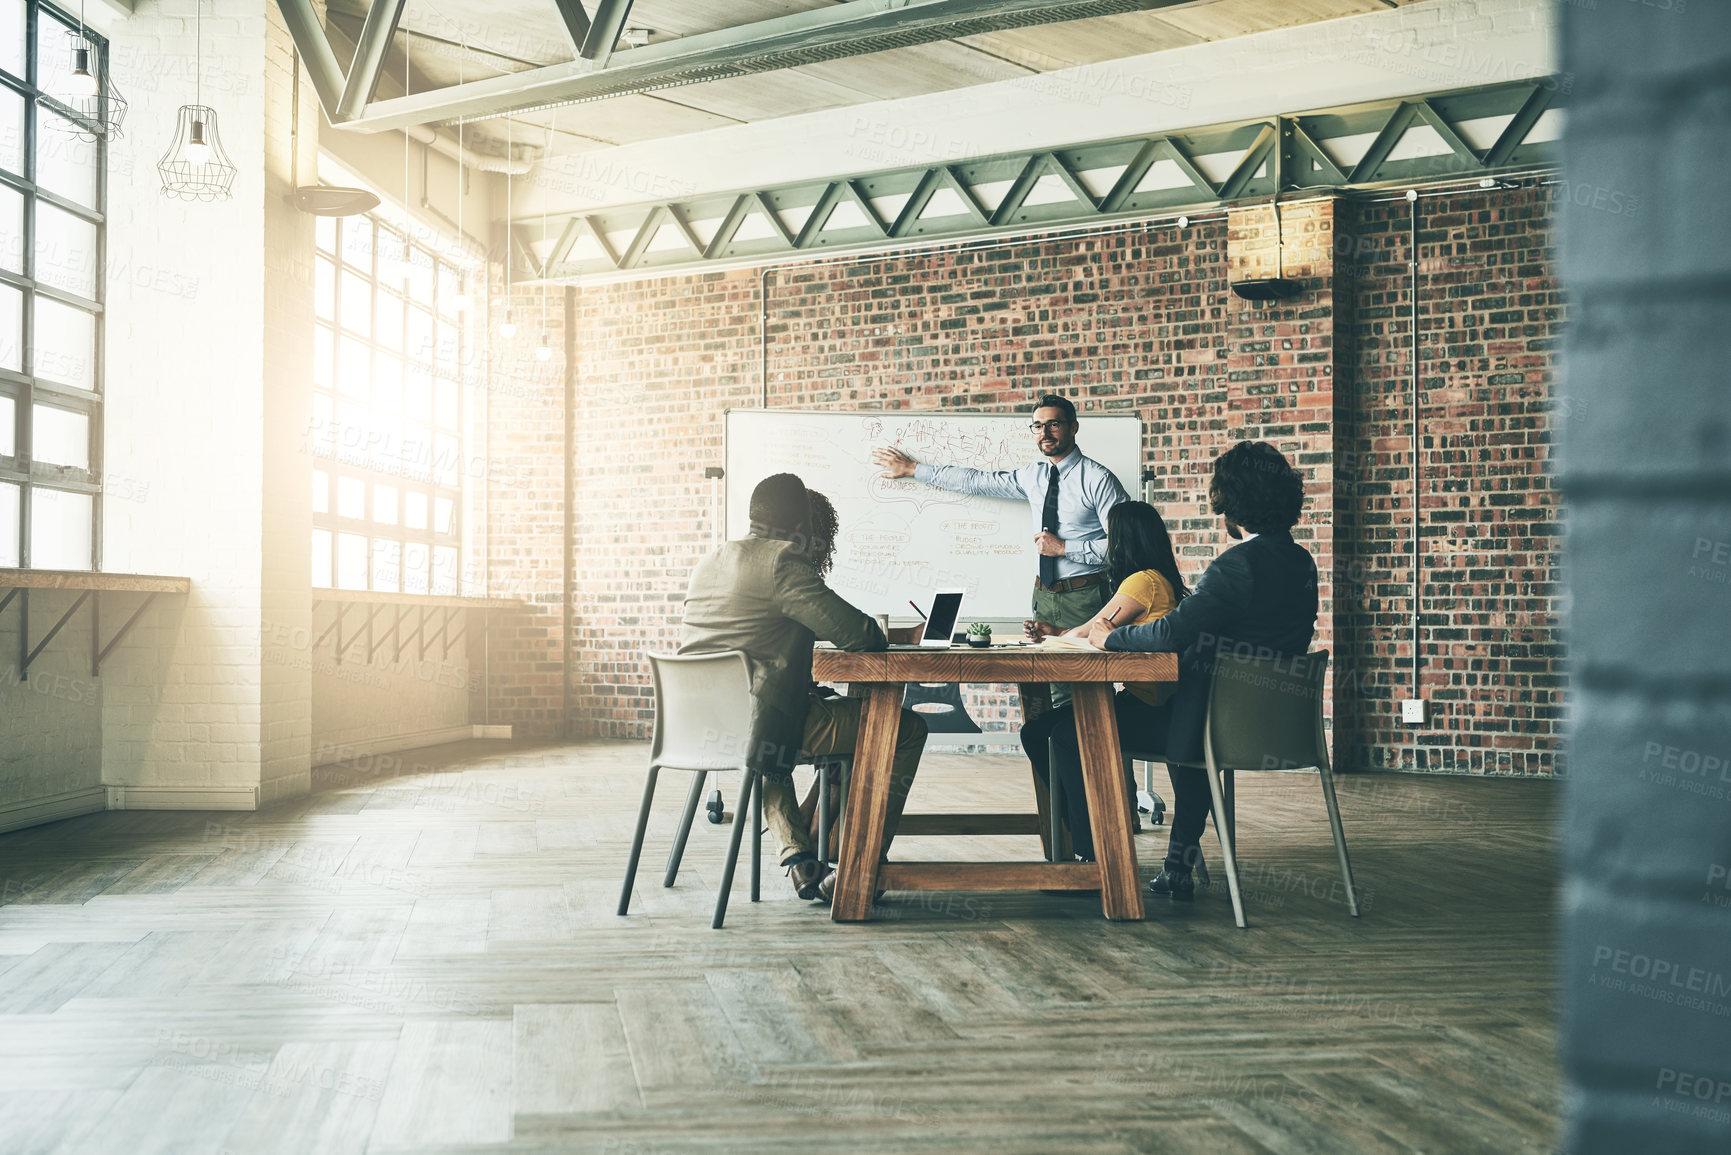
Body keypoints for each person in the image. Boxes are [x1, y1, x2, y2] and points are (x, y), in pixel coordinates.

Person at [678, 474, 927, 902]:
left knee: (770, 728)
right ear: (801, 528)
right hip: (757, 728)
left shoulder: (713, 559)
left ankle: (799, 858)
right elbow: (861, 636)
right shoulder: (782, 562)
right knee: (905, 730)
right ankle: (855, 869)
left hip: (701, 724)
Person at [1087, 441, 1319, 901]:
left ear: (1231, 504)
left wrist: (1108, 637)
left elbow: (1171, 633)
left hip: (1213, 726)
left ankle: (1091, 863)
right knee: (1188, 712)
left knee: (1076, 725)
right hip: (1276, 726)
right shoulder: (1300, 561)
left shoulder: (1237, 565)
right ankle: (1177, 863)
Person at [872, 393, 1129, 704]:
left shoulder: (1098, 480)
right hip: (1044, 597)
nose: (1044, 433)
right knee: (1045, 693)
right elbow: (976, 481)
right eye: (1037, 426)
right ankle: (1053, 752)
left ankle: (1095, 751)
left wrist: (1064, 548)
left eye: (1053, 425)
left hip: (1085, 597)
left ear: (1073, 428)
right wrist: (915, 469)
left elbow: (1124, 547)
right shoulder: (1034, 476)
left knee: (1086, 693)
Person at [1018, 501, 1188, 863]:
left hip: (1149, 707)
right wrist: (1056, 632)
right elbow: (1096, 631)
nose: (1108, 544)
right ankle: (1074, 830)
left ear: (1125, 539)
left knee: (1064, 735)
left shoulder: (1143, 581)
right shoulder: (1156, 579)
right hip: (1147, 703)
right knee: (1037, 731)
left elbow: (1095, 629)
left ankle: (1090, 849)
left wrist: (1062, 635)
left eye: (1110, 536)